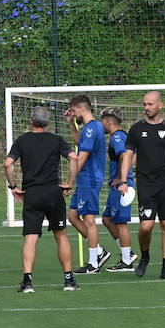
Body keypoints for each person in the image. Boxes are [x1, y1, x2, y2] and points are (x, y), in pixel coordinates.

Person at [4, 106, 79, 294]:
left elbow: (7, 164)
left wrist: (13, 187)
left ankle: (27, 281)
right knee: (60, 234)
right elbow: (73, 158)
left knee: (31, 237)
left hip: (32, 194)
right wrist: (69, 183)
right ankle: (69, 280)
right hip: (53, 192)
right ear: (48, 122)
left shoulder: (22, 140)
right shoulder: (56, 140)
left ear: (31, 120)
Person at [117, 91, 165, 279]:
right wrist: (123, 180)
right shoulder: (136, 129)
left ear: (160, 105)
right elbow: (127, 156)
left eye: (150, 104)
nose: (146, 108)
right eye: (144, 104)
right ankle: (145, 257)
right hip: (146, 184)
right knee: (146, 226)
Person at [66, 95, 108, 275]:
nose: (73, 114)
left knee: (89, 221)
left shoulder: (92, 128)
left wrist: (70, 181)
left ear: (81, 109)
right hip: (85, 179)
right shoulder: (88, 129)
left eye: (73, 111)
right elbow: (78, 142)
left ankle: (93, 263)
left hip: (89, 179)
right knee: (73, 216)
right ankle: (99, 252)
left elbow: (82, 157)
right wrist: (70, 124)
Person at [100, 109, 138, 273]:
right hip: (118, 184)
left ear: (108, 121)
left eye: (102, 122)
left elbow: (125, 155)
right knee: (107, 219)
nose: (102, 125)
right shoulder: (121, 136)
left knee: (120, 222)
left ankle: (126, 261)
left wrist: (121, 178)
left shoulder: (117, 137)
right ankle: (127, 252)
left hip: (121, 186)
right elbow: (133, 155)